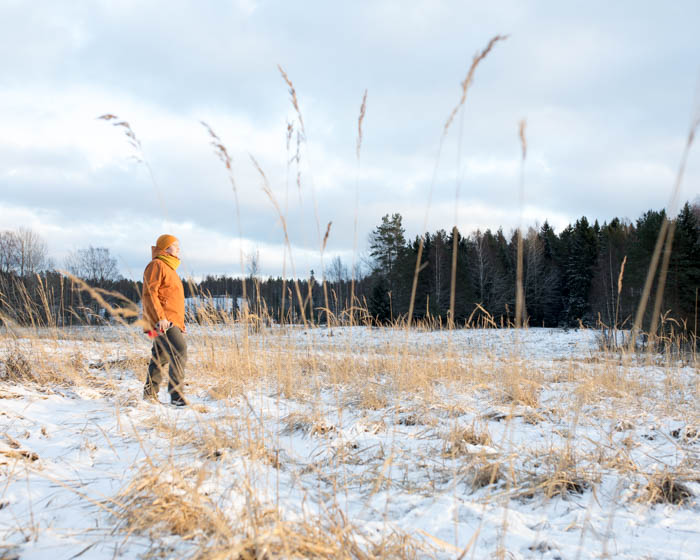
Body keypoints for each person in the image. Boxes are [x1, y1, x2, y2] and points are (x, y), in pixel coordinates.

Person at [141, 234, 187, 406]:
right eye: (175, 245)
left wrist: (180, 324)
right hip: (161, 322)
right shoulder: (157, 265)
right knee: (179, 350)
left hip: (168, 321)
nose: (178, 248)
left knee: (160, 356)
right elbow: (150, 293)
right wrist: (160, 318)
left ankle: (149, 395)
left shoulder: (170, 268)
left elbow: (171, 299)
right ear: (166, 248)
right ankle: (176, 396)